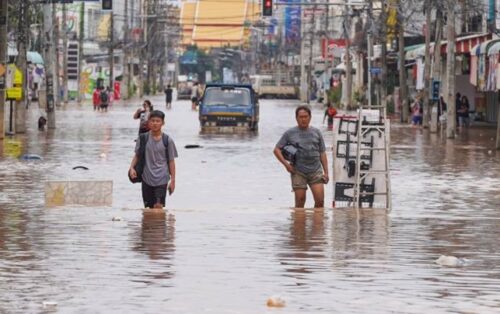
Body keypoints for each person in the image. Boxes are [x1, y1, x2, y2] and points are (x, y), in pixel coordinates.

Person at [274, 106, 329, 209]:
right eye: (301, 117)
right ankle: (299, 224)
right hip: (298, 171)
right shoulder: (289, 133)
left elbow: (322, 153)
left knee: (320, 202)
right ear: (296, 118)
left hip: (315, 171)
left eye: (306, 117)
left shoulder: (317, 132)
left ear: (310, 117)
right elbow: (276, 150)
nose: (303, 119)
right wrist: (286, 165)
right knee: (300, 202)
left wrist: (326, 172)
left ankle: (317, 224)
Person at [129, 110, 178, 209]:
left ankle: (159, 224)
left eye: (158, 121)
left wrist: (173, 180)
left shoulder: (168, 140)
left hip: (162, 178)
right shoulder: (143, 138)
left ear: (163, 123)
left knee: (158, 207)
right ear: (148, 122)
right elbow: (137, 155)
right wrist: (131, 168)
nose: (155, 123)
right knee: (148, 209)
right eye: (152, 121)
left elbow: (171, 161)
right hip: (146, 178)